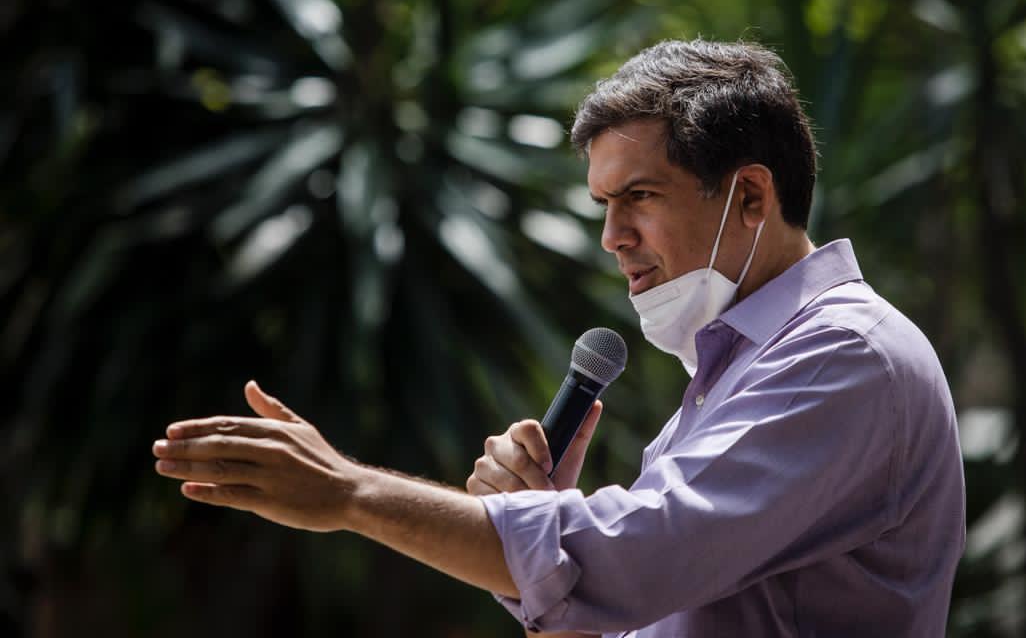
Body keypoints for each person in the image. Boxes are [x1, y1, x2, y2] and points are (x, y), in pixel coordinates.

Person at [153, 40, 965, 637]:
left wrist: (350, 494)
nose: (613, 237)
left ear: (750, 195)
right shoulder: (725, 379)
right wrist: (540, 528)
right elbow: (627, 602)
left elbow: (630, 560)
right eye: (603, 207)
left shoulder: (848, 355)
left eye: (639, 196)